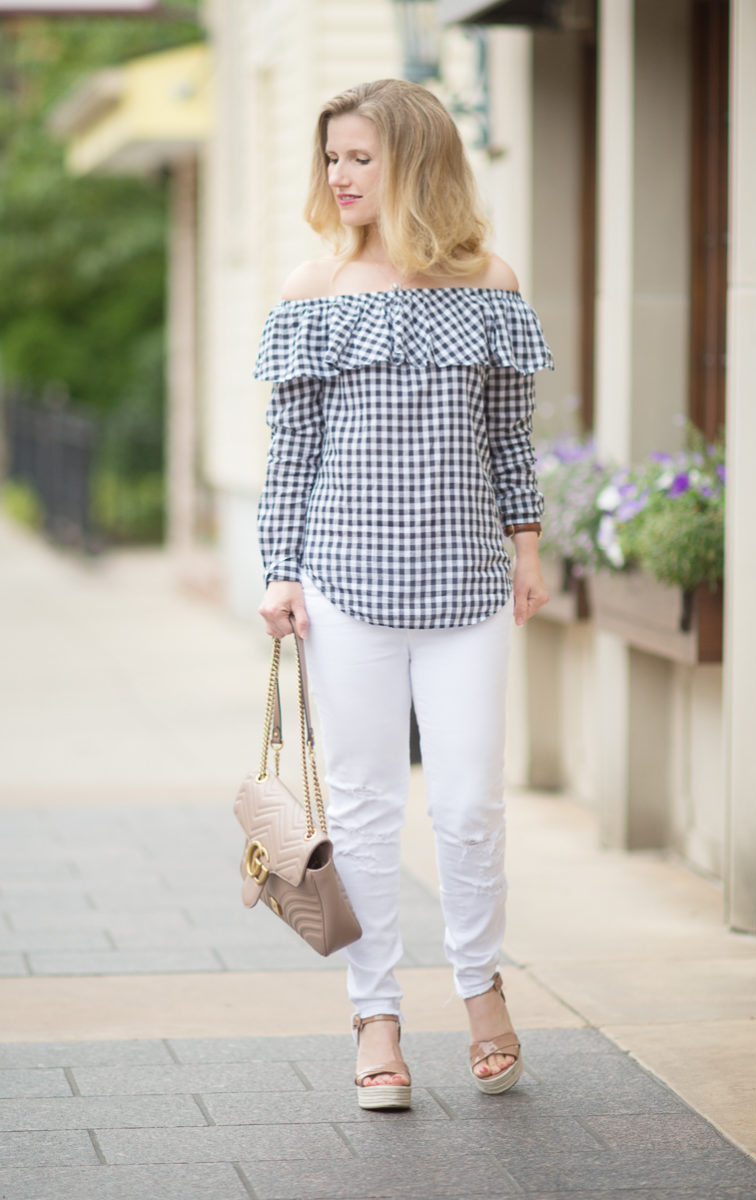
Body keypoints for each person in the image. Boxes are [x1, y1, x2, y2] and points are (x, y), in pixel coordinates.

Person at [255, 78, 552, 1111]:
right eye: (331, 157)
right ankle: (373, 1014)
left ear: (414, 162)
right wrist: (278, 570)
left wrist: (527, 541)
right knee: (370, 811)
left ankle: (480, 988)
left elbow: (509, 438)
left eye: (360, 158)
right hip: (345, 589)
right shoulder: (312, 294)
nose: (339, 176)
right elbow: (290, 454)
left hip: (469, 584)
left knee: (470, 806)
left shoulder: (491, 285)